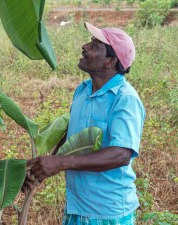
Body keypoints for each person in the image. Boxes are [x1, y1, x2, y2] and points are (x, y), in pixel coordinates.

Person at [25, 22, 146, 224]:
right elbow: (74, 138)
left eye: (95, 45)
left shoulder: (125, 99)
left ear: (110, 62)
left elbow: (121, 154)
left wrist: (60, 163)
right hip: (77, 207)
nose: (85, 47)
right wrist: (41, 168)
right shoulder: (82, 90)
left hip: (106, 213)